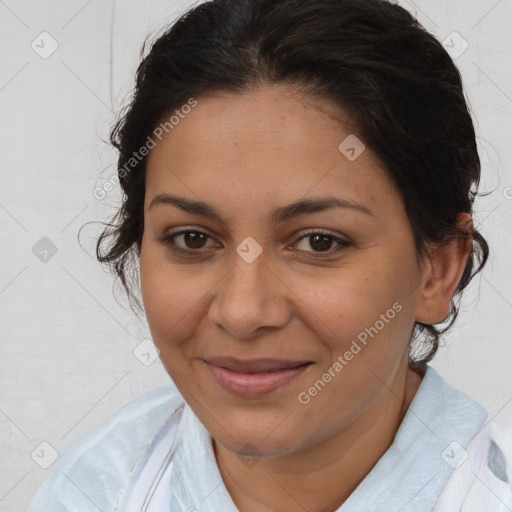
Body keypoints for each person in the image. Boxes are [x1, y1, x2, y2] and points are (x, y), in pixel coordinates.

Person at [28, 0, 512, 510]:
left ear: (438, 271)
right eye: (193, 238)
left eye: (319, 241)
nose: (242, 313)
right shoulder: (94, 487)